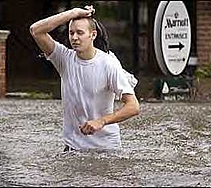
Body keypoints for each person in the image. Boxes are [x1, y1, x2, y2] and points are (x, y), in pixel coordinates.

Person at [29, 6, 140, 151]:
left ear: (93, 35)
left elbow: (133, 106)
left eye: (79, 33)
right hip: (73, 148)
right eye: (71, 33)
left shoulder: (109, 64)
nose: (74, 37)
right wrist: (73, 13)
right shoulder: (64, 59)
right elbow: (36, 30)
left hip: (106, 149)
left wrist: (102, 121)